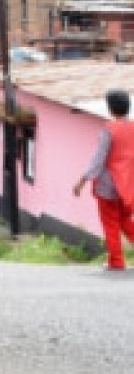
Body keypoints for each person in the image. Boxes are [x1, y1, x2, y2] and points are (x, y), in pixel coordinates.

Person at [73, 89, 134, 271]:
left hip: (108, 185)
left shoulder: (109, 130)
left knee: (110, 223)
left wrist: (82, 181)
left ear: (110, 108)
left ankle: (116, 262)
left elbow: (98, 160)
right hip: (128, 184)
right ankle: (116, 260)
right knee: (124, 219)